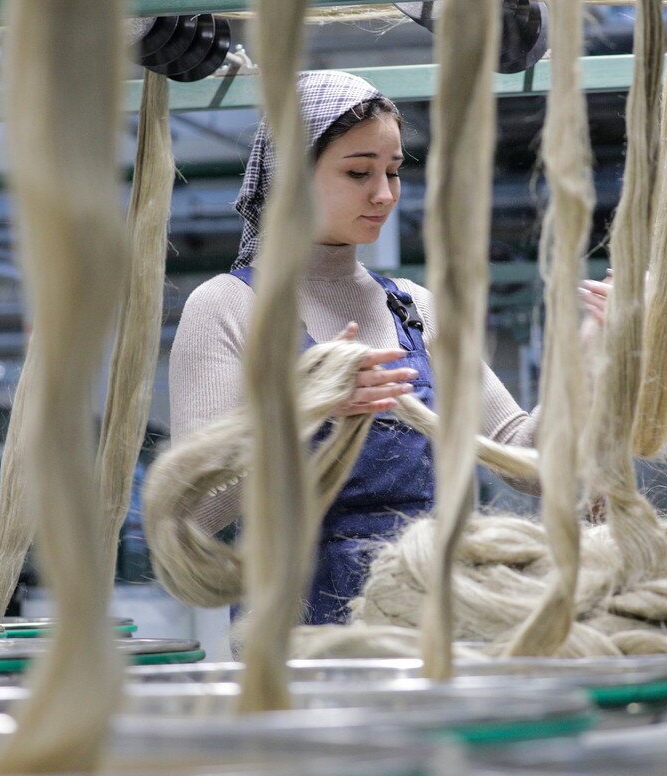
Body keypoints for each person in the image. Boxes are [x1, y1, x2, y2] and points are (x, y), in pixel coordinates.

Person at [170, 70, 612, 625]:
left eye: (394, 171)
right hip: (295, 637)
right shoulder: (229, 307)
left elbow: (527, 463)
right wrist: (305, 413)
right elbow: (194, 512)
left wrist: (592, 350)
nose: (384, 194)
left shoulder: (415, 308)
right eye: (359, 172)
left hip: (427, 620)